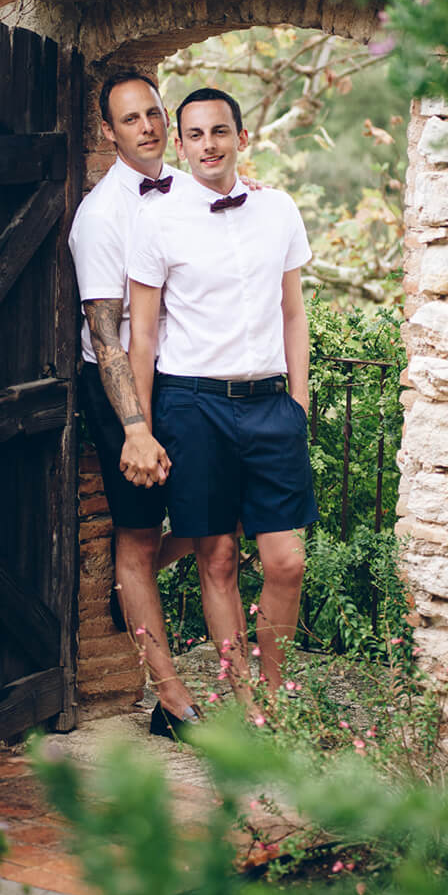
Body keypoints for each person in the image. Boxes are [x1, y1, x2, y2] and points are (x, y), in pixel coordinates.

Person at [127, 86, 316, 704]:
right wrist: (142, 428)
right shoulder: (154, 218)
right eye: (196, 135)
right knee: (218, 558)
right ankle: (249, 705)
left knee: (286, 559)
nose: (209, 145)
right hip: (192, 404)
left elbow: (293, 311)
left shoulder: (278, 208)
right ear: (179, 145)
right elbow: (145, 334)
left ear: (242, 137)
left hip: (269, 404)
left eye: (220, 132)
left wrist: (300, 400)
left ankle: (273, 684)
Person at [66, 71, 201, 739]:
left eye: (153, 112)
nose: (147, 126)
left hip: (187, 373)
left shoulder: (190, 192)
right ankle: (172, 702)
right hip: (120, 384)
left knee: (220, 515)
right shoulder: (100, 216)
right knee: (138, 531)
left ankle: (133, 580)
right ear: (108, 132)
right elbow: (105, 335)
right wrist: (135, 426)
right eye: (130, 119)